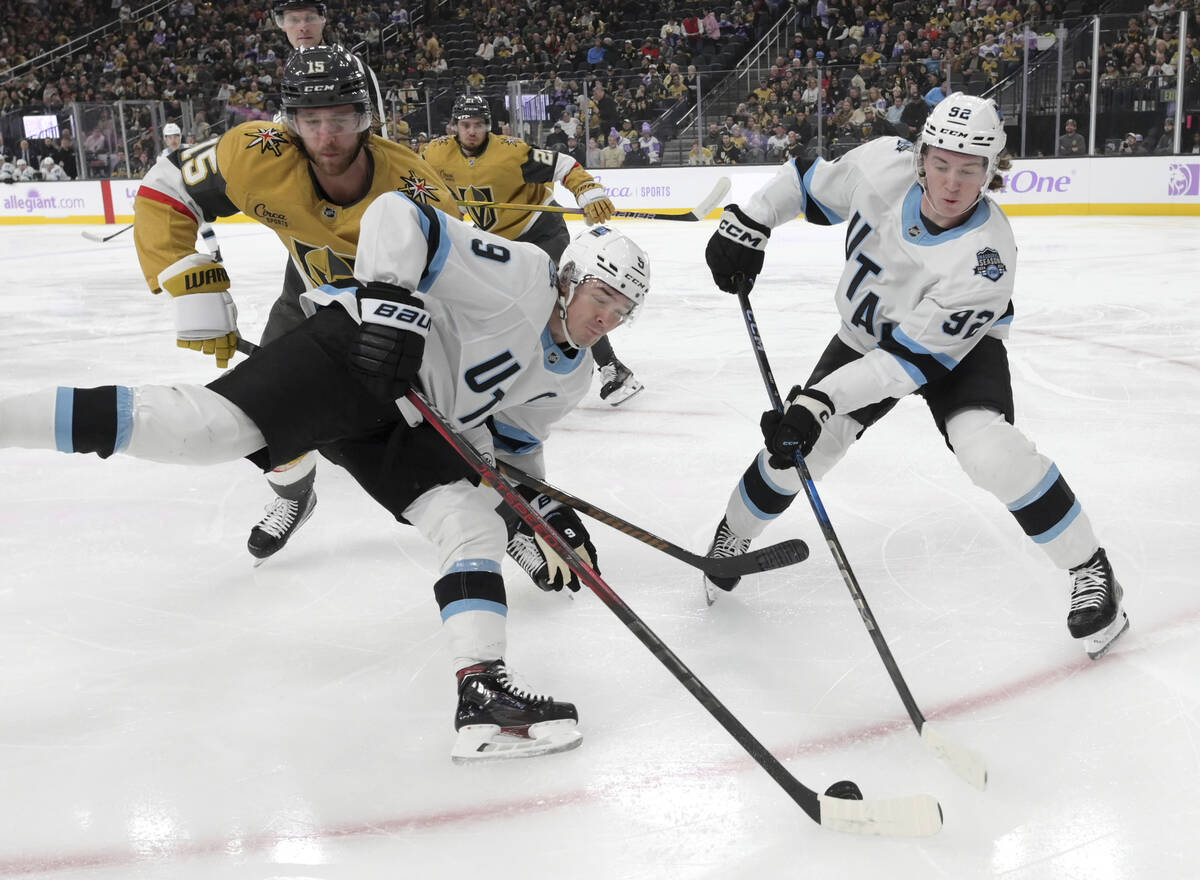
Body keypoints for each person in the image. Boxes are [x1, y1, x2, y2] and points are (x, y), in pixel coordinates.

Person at [0, 196, 651, 761]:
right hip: (358, 354)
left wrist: (538, 511)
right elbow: (400, 217)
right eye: (602, 298)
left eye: (622, 311)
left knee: (471, 523)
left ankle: (482, 696)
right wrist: (394, 315)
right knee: (206, 432)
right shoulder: (523, 275)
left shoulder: (570, 376)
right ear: (570, 278)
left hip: (405, 420)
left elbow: (511, 449)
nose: (607, 320)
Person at [699, 92, 1129, 660]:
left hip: (956, 350)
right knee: (800, 452)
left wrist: (820, 398)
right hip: (864, 335)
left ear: (992, 170)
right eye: (942, 163)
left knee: (988, 449)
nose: (952, 183)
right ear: (921, 155)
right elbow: (805, 182)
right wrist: (749, 221)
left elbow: (907, 365)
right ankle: (733, 537)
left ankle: (1091, 570)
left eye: (970, 169)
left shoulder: (986, 258)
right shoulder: (882, 166)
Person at [132, 45, 455, 565]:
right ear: (291, 121)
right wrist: (191, 282)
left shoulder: (418, 192)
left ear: (366, 119)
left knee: (428, 432)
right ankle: (294, 494)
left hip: (389, 315)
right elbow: (167, 185)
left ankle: (502, 518)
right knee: (248, 409)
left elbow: (460, 293)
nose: (326, 138)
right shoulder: (260, 153)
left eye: (341, 119)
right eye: (312, 120)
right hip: (306, 297)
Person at [422, 95, 644, 407]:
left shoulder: (511, 153)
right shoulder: (436, 153)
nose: (472, 131)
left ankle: (613, 369)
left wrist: (588, 191)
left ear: (489, 127)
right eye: (465, 125)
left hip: (542, 229)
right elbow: (416, 179)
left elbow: (564, 165)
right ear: (454, 127)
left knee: (562, 302)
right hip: (500, 241)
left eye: (479, 125)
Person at [271, 1, 388, 139]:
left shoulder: (353, 66)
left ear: (323, 19)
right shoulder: (291, 69)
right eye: (293, 20)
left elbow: (378, 137)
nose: (303, 27)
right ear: (282, 24)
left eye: (310, 18)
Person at [159, 122, 222, 262]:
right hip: (179, 197)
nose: (173, 140)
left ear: (180, 136)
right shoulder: (162, 157)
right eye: (169, 137)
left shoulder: (191, 150)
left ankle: (215, 252)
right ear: (165, 139)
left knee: (203, 223)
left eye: (175, 136)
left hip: (195, 193)